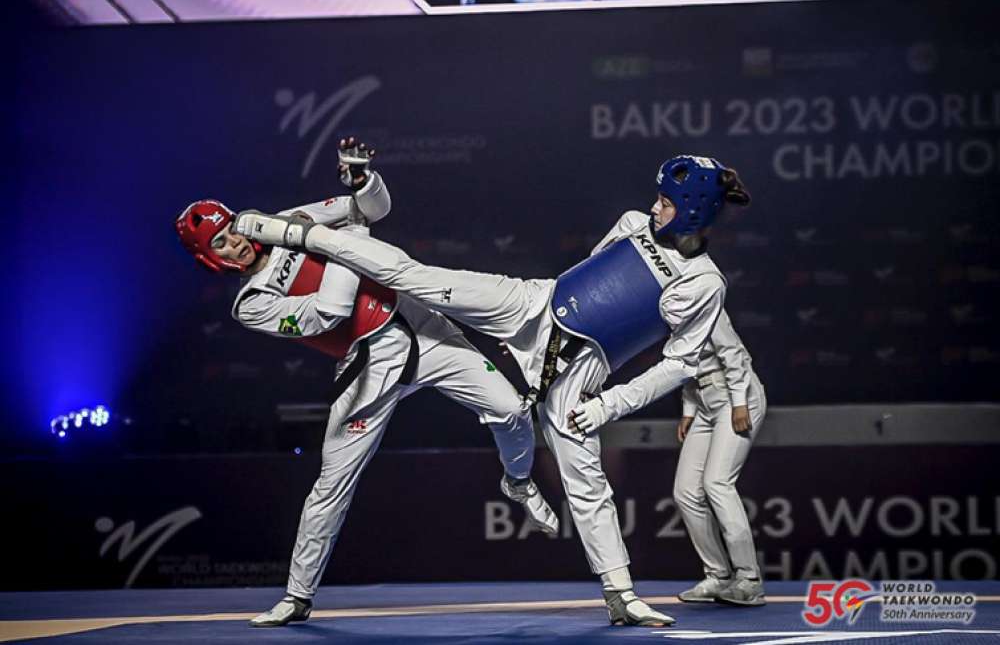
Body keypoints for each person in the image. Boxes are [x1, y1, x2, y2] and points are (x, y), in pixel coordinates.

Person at [235, 153, 752, 627]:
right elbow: (589, 276)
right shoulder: (633, 224)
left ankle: (621, 593)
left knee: (586, 482)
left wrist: (608, 405)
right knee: (412, 274)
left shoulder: (705, 285)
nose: (653, 206)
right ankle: (293, 234)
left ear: (692, 211)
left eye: (665, 201)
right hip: (530, 304)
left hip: (580, 376)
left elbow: (680, 364)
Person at [174, 139, 558, 628]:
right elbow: (328, 314)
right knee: (332, 483)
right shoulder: (251, 302)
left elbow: (371, 209)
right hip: (366, 365)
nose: (237, 241)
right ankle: (297, 594)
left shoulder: (281, 221)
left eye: (232, 229)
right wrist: (344, 241)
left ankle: (518, 482)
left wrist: (361, 183)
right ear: (211, 259)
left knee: (512, 410)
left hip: (421, 326)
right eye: (222, 243)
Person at [674, 310, 768, 606]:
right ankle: (719, 576)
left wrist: (740, 402)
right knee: (685, 492)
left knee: (717, 483)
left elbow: (732, 352)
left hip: (734, 395)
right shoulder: (662, 309)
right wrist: (689, 410)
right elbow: (684, 362)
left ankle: (749, 579)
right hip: (704, 402)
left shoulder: (703, 294)